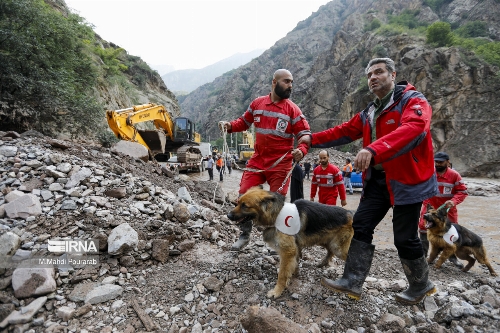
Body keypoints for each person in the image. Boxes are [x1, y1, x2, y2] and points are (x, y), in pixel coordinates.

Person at [299, 58, 437, 305]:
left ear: (393, 74)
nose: (373, 77)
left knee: (404, 237)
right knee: (360, 224)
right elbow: (342, 131)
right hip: (378, 180)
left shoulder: (413, 101)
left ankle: (421, 285)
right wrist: (311, 139)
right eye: (370, 74)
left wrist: (374, 149)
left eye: (379, 72)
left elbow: (415, 127)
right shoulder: (370, 112)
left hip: (407, 180)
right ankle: (352, 281)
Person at [219, 68, 311, 251]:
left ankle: (274, 238)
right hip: (258, 161)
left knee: (276, 203)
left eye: (291, 82)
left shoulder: (293, 110)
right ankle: (244, 235)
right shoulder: (257, 104)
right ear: (274, 82)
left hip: (281, 164)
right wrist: (229, 126)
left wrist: (301, 149)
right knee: (243, 195)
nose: (290, 85)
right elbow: (243, 123)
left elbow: (305, 133)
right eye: (286, 81)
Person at [418, 151, 468, 269]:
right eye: (436, 162)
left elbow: (462, 192)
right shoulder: (429, 172)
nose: (438, 164)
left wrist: (454, 201)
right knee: (423, 228)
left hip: (447, 209)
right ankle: (423, 256)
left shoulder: (454, 175)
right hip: (430, 207)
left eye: (441, 162)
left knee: (451, 232)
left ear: (447, 162)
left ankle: (452, 257)